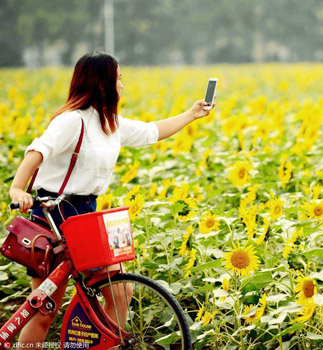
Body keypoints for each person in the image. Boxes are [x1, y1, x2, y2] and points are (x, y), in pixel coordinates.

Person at [9, 51, 215, 347]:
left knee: (121, 293)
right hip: (55, 214)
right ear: (102, 83)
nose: (122, 85)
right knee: (43, 311)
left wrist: (192, 113)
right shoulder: (71, 121)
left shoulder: (110, 123)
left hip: (87, 214)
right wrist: (18, 189)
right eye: (118, 78)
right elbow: (37, 152)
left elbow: (151, 132)